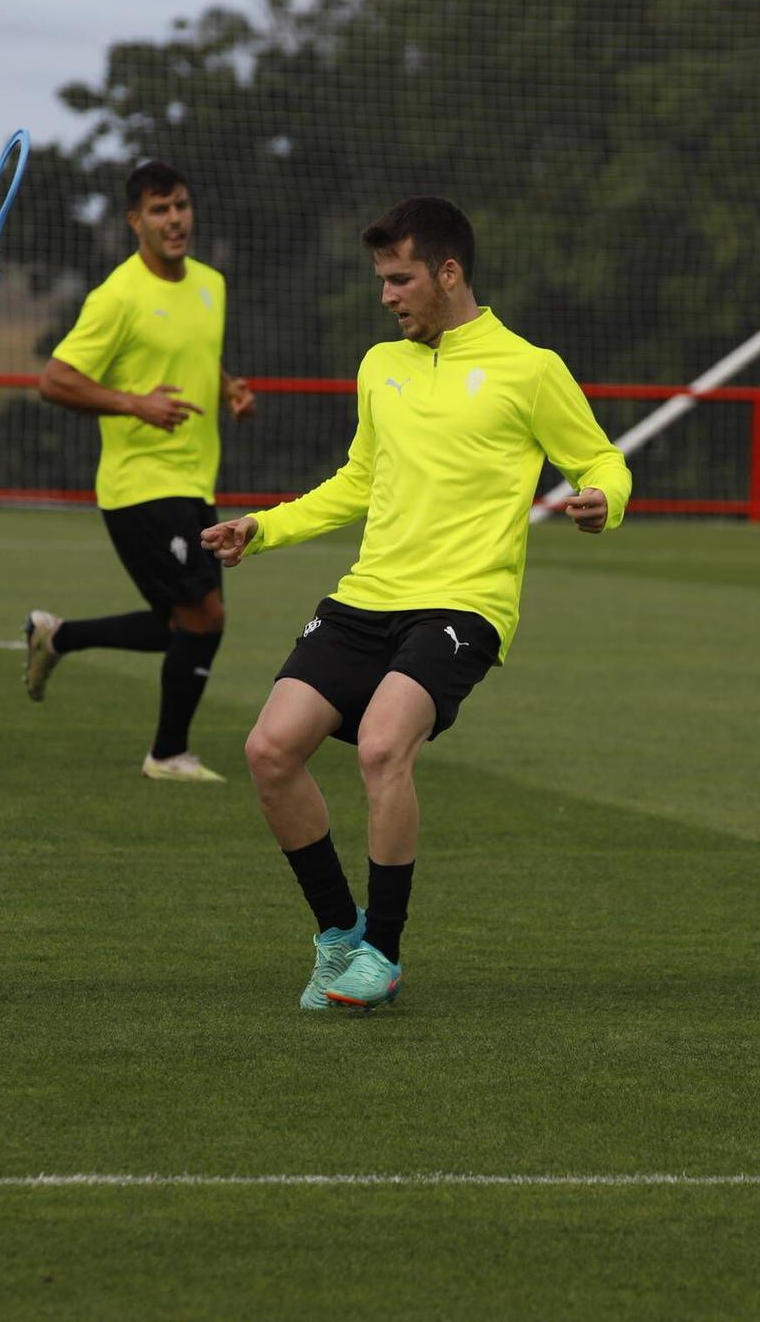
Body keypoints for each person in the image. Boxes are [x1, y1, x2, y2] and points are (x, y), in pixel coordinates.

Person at [200, 196, 630, 1010]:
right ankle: (338, 936)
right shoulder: (379, 366)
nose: (388, 295)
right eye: (382, 280)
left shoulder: (529, 368)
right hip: (369, 595)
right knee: (268, 749)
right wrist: (263, 528)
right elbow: (358, 481)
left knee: (382, 746)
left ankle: (385, 955)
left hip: (464, 605)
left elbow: (601, 457)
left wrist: (605, 497)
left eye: (400, 279)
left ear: (449, 272)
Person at [28, 160, 255, 782]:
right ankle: (167, 754)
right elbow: (55, 379)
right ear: (135, 222)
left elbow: (196, 357)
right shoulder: (118, 295)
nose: (175, 219)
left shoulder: (211, 283)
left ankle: (59, 637)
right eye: (159, 210)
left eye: (180, 205)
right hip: (139, 486)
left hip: (193, 480)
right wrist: (136, 403)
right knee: (204, 618)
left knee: (183, 625)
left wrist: (230, 386)